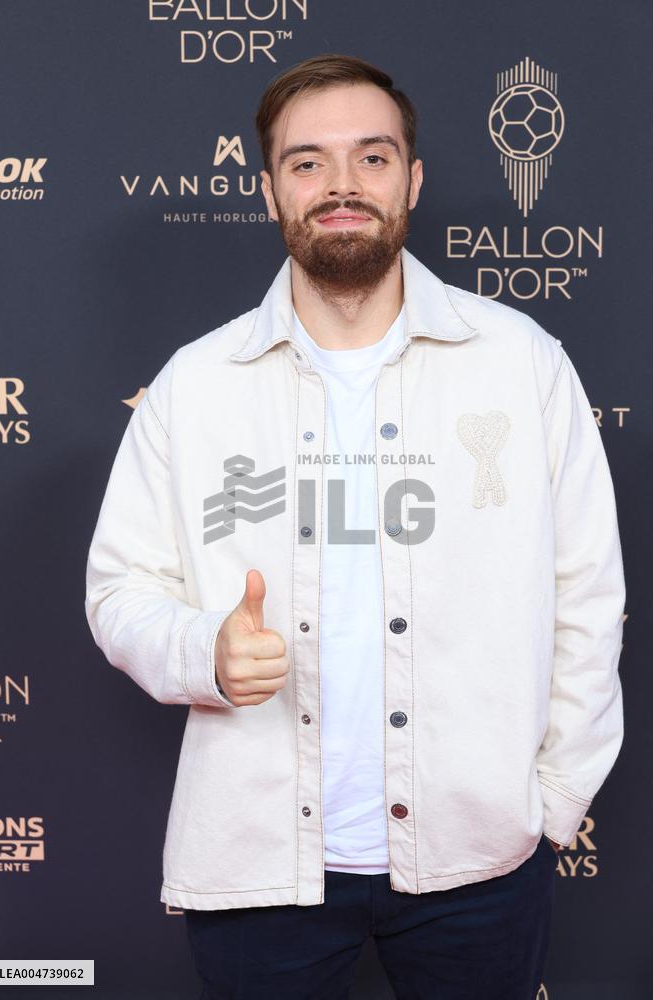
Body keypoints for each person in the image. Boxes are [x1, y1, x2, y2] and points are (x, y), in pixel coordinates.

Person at [84, 53, 626, 999]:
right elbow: (119, 592)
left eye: (371, 158)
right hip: (257, 863)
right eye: (307, 163)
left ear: (411, 180)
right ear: (269, 192)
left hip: (483, 860)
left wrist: (554, 804)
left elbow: (588, 594)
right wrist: (203, 650)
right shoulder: (195, 386)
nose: (341, 184)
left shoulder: (522, 364)